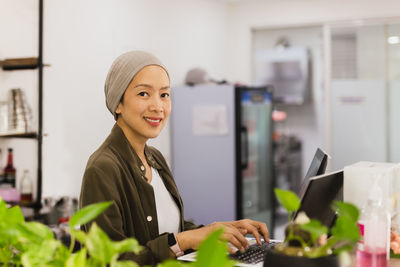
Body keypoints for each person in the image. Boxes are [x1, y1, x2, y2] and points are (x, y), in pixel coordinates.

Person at [79, 51, 269, 265]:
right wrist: (185, 239)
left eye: (164, 94)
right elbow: (110, 260)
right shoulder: (103, 168)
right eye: (143, 94)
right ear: (118, 103)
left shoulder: (154, 158)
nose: (158, 107)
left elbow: (171, 230)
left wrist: (218, 231)